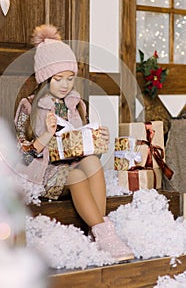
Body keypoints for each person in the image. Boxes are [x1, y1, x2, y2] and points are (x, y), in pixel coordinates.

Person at [14, 24, 134, 262]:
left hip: (73, 165)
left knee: (91, 162)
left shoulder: (76, 105)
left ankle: (99, 232)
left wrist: (95, 140)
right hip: (42, 174)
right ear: (45, 78)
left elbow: (79, 145)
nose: (65, 85)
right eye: (58, 79)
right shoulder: (29, 107)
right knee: (77, 177)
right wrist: (46, 135)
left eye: (70, 78)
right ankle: (104, 233)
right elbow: (23, 156)